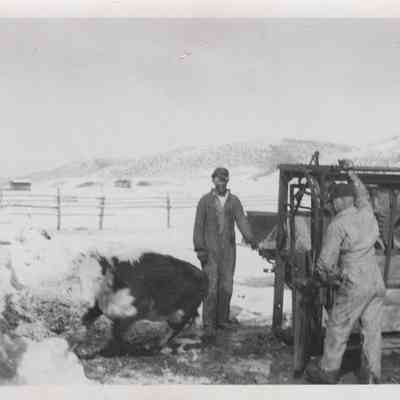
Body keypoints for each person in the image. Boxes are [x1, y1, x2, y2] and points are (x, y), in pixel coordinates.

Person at [305, 159, 386, 384]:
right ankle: (372, 375)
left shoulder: (337, 225)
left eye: (333, 200)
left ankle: (328, 371)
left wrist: (324, 279)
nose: (332, 204)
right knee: (372, 331)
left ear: (341, 200)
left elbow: (325, 264)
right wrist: (352, 174)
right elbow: (363, 195)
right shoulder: (366, 213)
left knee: (337, 327)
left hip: (354, 282)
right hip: (376, 281)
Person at [193, 167, 258, 343]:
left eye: (223, 179)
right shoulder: (205, 201)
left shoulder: (233, 201)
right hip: (210, 251)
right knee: (211, 287)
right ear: (213, 180)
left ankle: (222, 320)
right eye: (218, 179)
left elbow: (242, 220)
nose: (221, 182)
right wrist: (200, 248)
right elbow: (198, 226)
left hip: (228, 251)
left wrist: (251, 238)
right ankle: (209, 324)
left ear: (227, 180)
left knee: (226, 286)